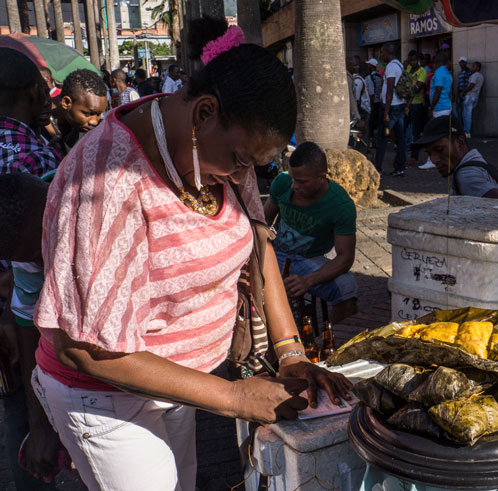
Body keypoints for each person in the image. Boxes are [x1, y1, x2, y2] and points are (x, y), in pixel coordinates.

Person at [31, 17, 349, 490]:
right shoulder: (108, 181)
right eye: (242, 161)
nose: (245, 174)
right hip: (104, 394)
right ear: (204, 112)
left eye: (255, 165)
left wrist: (290, 353)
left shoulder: (218, 148)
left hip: (180, 383)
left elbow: (259, 246)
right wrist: (234, 398)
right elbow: (84, 349)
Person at [0, 48, 68, 491]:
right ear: (31, 92)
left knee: (15, 411)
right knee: (31, 415)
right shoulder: (34, 160)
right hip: (25, 312)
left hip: (13, 309)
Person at [263, 142, 358, 324]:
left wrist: (307, 281)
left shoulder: (340, 205)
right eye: (292, 178)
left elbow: (345, 258)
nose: (294, 186)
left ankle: (338, 344)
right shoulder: (282, 182)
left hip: (308, 260)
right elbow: (262, 222)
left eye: (301, 181)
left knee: (347, 288)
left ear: (321, 178)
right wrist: (261, 258)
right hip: (274, 253)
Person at [412, 116, 498, 200]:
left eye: (440, 149)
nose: (434, 160)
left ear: (460, 143)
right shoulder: (476, 164)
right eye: (429, 154)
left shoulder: (467, 176)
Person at [45, 69, 108, 155]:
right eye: (88, 114)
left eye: (98, 114)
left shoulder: (97, 131)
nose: (94, 121)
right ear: (66, 103)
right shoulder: (40, 128)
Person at [375, 42, 407, 177]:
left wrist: (386, 112)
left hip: (391, 107)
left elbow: (389, 89)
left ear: (388, 52)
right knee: (400, 139)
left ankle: (378, 169)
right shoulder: (400, 65)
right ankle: (400, 168)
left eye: (382, 52)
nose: (381, 55)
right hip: (399, 105)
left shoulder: (391, 67)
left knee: (382, 138)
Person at [405, 50, 427, 165]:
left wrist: (407, 90)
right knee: (403, 130)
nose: (412, 63)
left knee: (415, 131)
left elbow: (416, 89)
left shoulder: (422, 71)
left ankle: (415, 156)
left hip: (416, 104)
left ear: (417, 59)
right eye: (410, 61)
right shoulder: (408, 69)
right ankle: (403, 155)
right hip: (406, 103)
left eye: (414, 60)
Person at [460, 61, 484, 138]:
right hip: (475, 97)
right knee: (465, 115)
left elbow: (471, 85)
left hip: (470, 97)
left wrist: (463, 92)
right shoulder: (481, 76)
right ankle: (466, 132)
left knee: (467, 116)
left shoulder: (475, 75)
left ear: (478, 68)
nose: (472, 68)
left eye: (474, 66)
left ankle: (467, 133)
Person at [429, 52, 452, 120]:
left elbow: (438, 91)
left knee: (438, 129)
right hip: (446, 106)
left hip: (440, 108)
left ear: (437, 62)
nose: (433, 65)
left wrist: (431, 108)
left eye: (434, 63)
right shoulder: (447, 72)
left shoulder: (439, 72)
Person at [365, 58, 382, 145]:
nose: (367, 67)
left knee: (371, 123)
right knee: (378, 122)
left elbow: (371, 93)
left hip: (373, 103)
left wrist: (370, 106)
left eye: (368, 65)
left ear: (371, 66)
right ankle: (377, 140)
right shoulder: (379, 76)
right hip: (380, 102)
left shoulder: (369, 78)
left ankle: (372, 142)